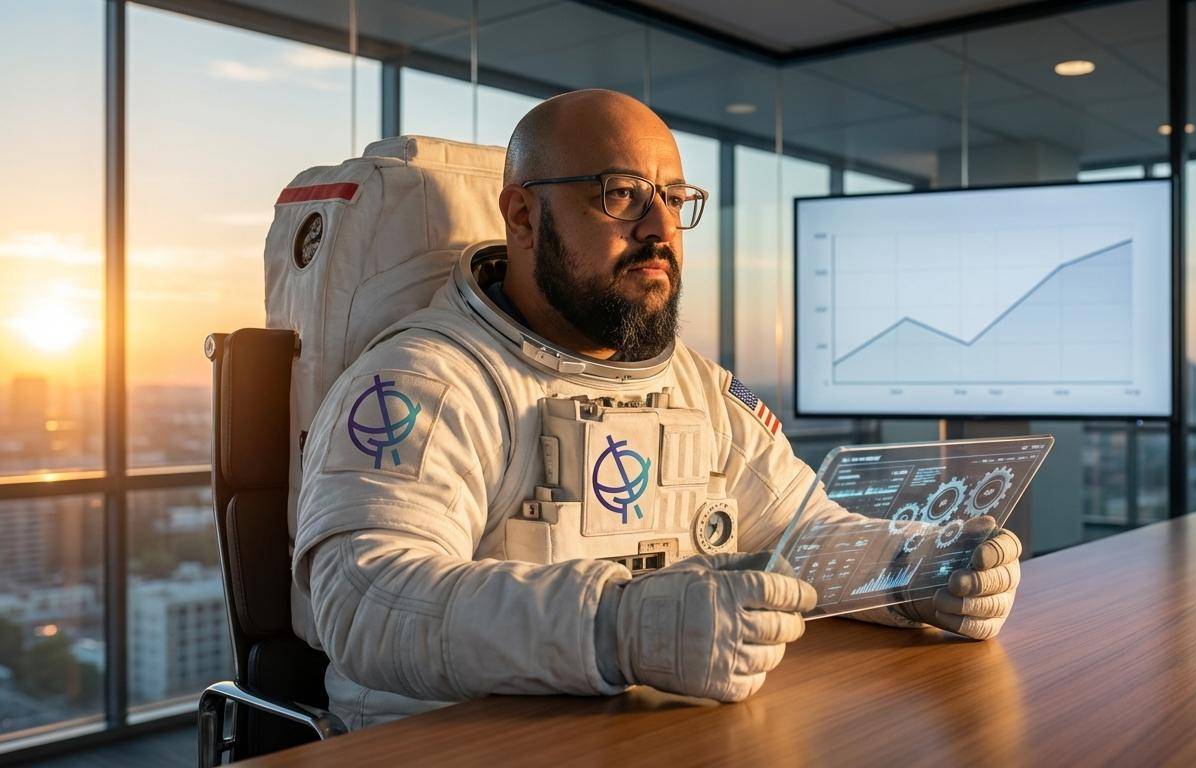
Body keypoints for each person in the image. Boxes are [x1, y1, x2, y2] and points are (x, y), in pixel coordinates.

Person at [292, 89, 1022, 730]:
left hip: (648, 736)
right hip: (454, 743)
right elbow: (366, 597)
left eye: (674, 199)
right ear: (522, 214)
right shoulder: (431, 380)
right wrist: (619, 625)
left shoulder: (699, 389)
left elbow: (803, 534)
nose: (659, 228)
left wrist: (919, 570)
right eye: (620, 193)